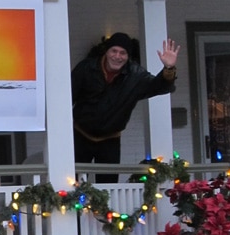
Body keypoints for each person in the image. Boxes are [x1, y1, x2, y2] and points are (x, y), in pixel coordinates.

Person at [71, 32, 180, 182]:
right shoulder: (86, 68)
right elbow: (67, 97)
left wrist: (169, 68)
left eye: (123, 53)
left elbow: (159, 86)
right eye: (114, 51)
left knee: (109, 185)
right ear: (106, 51)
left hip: (110, 140)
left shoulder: (135, 75)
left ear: (128, 56)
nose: (117, 56)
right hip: (80, 135)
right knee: (74, 182)